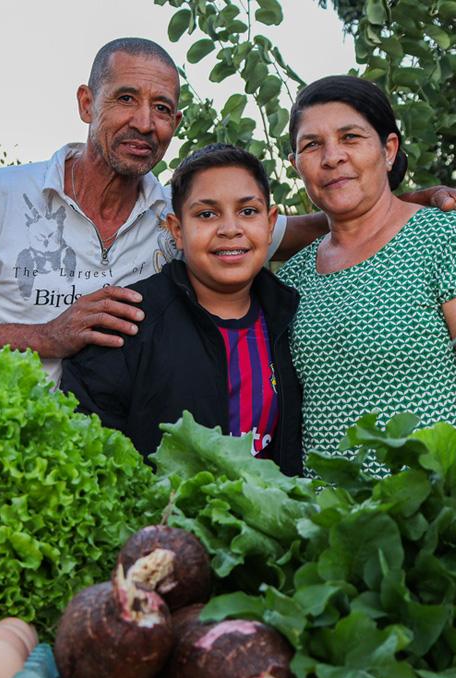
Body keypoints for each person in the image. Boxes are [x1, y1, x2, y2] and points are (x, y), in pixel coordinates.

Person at [0, 37, 456, 385]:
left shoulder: (179, 218)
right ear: (87, 103)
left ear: (175, 125)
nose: (144, 122)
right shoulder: (0, 198)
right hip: (2, 449)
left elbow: (284, 230)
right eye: (125, 100)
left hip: (110, 459)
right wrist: (45, 337)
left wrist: (408, 201)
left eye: (162, 108)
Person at [276, 75, 456, 475]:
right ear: (296, 165)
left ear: (389, 150)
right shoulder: (293, 276)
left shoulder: (447, 239)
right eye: (312, 145)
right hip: (322, 525)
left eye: (351, 137)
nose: (332, 157)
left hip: (434, 515)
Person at [61, 144, 302, 473]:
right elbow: (87, 458)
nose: (230, 229)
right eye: (206, 214)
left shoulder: (290, 317)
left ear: (270, 222)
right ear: (177, 231)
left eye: (248, 212)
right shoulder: (126, 323)